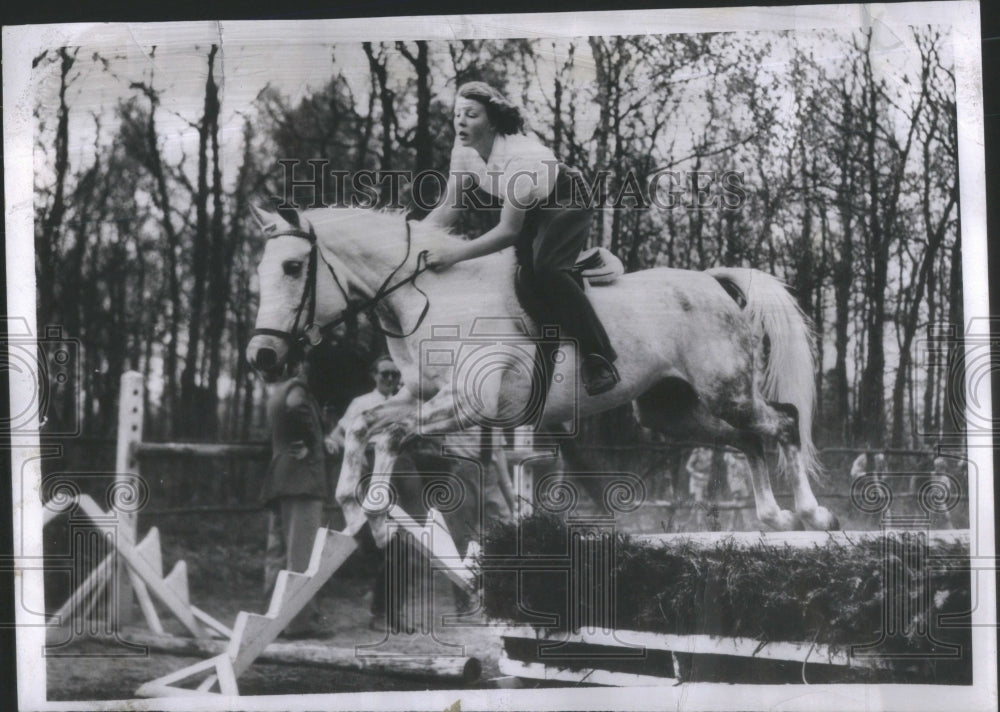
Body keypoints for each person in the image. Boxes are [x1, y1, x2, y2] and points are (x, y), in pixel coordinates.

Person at [423, 81, 620, 396]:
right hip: (532, 210)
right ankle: (545, 359)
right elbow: (450, 206)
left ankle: (599, 357)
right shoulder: (463, 151)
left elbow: (507, 232)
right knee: (522, 279)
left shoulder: (520, 157)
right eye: (458, 114)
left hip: (566, 197)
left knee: (548, 269)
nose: (460, 121)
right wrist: (414, 238)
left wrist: (452, 255)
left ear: (492, 121)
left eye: (471, 114)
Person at [261, 361, 329, 639]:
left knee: (277, 554)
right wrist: (309, 441)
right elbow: (295, 406)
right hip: (301, 480)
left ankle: (271, 618)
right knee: (302, 555)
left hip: (281, 478)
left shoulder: (277, 390)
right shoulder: (297, 389)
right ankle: (300, 623)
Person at [325, 355, 402, 457]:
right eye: (385, 374)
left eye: (395, 374)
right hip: (369, 457)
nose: (390, 378)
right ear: (374, 375)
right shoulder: (361, 403)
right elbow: (337, 435)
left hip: (397, 458)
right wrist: (357, 454)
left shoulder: (401, 403)